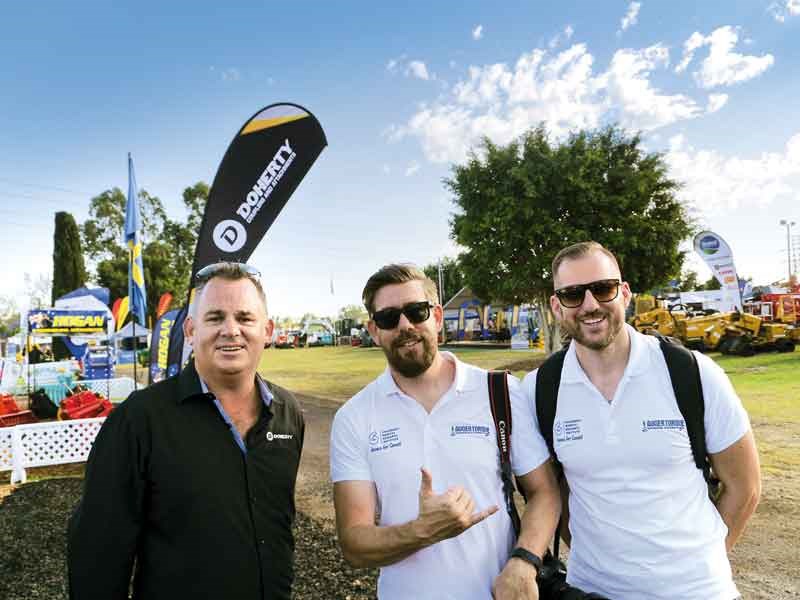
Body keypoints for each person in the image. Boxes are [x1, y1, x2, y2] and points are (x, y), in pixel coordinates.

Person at [521, 241, 761, 599]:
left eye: (603, 289)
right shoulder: (540, 389)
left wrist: (699, 562)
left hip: (697, 590)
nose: (590, 305)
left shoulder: (691, 372)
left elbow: (745, 487)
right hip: (593, 591)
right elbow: (554, 493)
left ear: (625, 293)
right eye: (573, 295)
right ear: (557, 306)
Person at [67, 262, 305, 600]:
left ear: (267, 330)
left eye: (245, 318)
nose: (231, 330)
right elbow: (98, 550)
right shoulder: (140, 418)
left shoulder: (288, 413)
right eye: (215, 318)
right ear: (191, 331)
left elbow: (278, 524)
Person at [330, 264, 560, 599]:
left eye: (416, 311)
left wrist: (523, 563)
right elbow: (354, 542)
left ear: (436, 317)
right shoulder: (354, 417)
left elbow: (545, 492)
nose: (405, 325)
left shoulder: (499, 392)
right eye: (388, 317)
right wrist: (423, 531)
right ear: (374, 330)